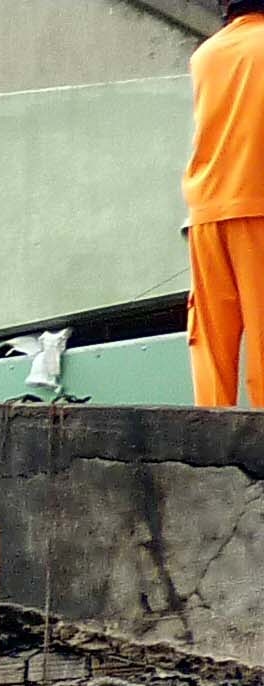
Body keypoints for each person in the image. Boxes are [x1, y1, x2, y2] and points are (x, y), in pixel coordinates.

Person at [199, 0, 264, 406]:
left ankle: (202, 455)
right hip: (257, 206)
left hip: (206, 212)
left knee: (211, 351)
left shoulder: (204, 55)